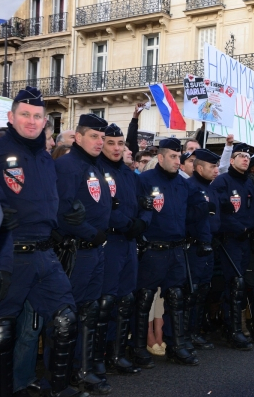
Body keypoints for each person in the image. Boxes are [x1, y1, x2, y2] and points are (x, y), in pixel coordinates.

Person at [0, 87, 84, 397]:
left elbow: (46, 202)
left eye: (37, 116)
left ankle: (59, 387)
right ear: (11, 117)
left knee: (66, 320)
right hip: (6, 253)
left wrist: (68, 215)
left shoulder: (44, 158)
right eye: (25, 114)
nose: (31, 120)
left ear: (45, 122)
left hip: (44, 254)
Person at [133, 137, 211, 367]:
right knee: (144, 299)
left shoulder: (184, 183)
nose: (178, 161)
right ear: (161, 157)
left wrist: (208, 207)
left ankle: (176, 345)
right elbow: (138, 211)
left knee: (177, 298)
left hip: (177, 249)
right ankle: (138, 349)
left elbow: (198, 209)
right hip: (153, 248)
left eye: (180, 157)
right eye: (174, 157)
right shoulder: (145, 180)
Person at [55, 112, 113, 394]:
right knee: (68, 316)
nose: (100, 142)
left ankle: (82, 369)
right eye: (94, 136)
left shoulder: (95, 166)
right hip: (77, 251)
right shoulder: (68, 165)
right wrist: (92, 233)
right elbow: (63, 212)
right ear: (77, 137)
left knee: (88, 312)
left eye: (102, 137)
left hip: (95, 251)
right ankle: (60, 377)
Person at [96, 123, 152, 377]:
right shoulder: (96, 170)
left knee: (125, 300)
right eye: (111, 143)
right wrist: (128, 225)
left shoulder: (130, 174)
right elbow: (103, 207)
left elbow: (145, 203)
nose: (117, 148)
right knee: (104, 303)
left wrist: (141, 223)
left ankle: (117, 353)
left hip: (129, 243)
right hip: (109, 242)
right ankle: (96, 357)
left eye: (120, 144)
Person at [209, 143, 254, 350]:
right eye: (241, 155)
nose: (245, 159)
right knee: (234, 285)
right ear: (232, 159)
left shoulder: (248, 182)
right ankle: (232, 330)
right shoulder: (222, 181)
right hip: (229, 239)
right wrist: (240, 229)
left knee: (240, 285)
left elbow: (252, 210)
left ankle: (237, 326)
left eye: (247, 156)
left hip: (245, 240)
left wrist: (251, 230)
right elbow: (221, 213)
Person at [185, 149, 221, 351]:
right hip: (195, 246)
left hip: (210, 245)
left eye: (217, 166)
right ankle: (187, 333)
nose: (216, 170)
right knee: (193, 291)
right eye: (212, 167)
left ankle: (196, 331)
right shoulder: (190, 187)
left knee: (203, 290)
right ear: (199, 168)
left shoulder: (211, 188)